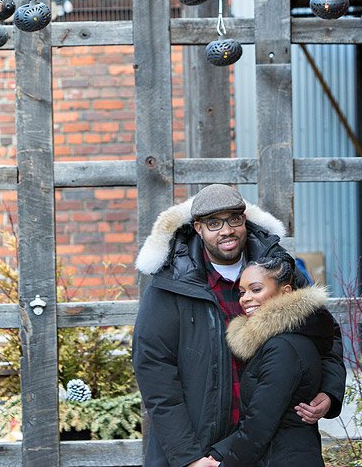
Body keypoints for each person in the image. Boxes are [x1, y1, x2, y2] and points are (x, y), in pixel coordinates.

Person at [132, 184, 344, 467]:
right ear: (198, 228)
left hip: (272, 442)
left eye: (234, 219)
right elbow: (154, 372)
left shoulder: (278, 270)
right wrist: (188, 456)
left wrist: (329, 392)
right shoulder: (171, 283)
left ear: (244, 220)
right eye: (213, 223)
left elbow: (325, 333)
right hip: (201, 447)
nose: (226, 230)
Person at [206, 255, 341, 466]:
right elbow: (277, 419)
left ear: (286, 291)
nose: (245, 298)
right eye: (242, 292)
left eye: (256, 289)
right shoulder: (283, 340)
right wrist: (220, 452)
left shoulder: (284, 347)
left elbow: (260, 424)